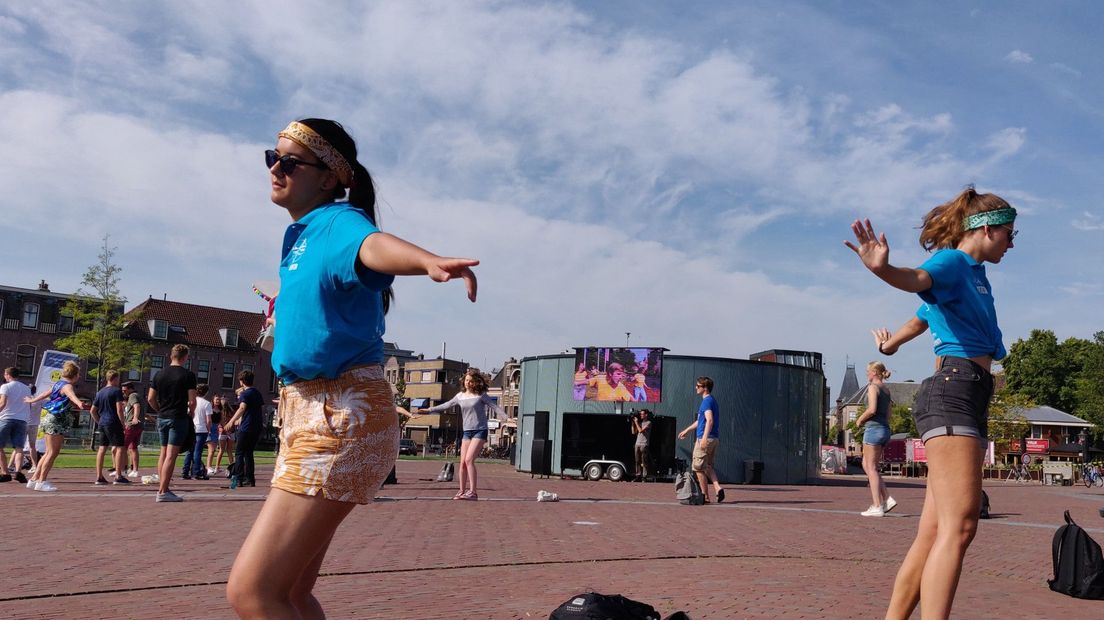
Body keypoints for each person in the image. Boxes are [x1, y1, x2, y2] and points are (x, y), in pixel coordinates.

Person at [226, 117, 478, 619]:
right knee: (292, 591)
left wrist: (426, 260)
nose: (275, 168)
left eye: (289, 162)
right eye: (270, 157)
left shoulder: (338, 222)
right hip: (308, 414)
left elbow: (372, 246)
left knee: (253, 593)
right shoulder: (300, 237)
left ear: (329, 176)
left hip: (338, 414)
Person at [845, 186, 1016, 619]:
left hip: (967, 393)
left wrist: (890, 348)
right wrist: (883, 271)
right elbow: (917, 280)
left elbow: (921, 317)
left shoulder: (974, 275)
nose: (1012, 242)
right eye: (1009, 233)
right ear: (987, 228)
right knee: (960, 527)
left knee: (935, 532)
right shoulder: (954, 262)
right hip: (954, 391)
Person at [416, 369, 504, 500]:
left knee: (469, 460)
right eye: (466, 380)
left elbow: (495, 407)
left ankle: (473, 492)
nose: (468, 383)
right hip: (467, 431)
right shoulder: (460, 396)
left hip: (480, 430)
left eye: (471, 381)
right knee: (462, 462)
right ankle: (462, 491)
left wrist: (507, 418)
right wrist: (429, 410)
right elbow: (446, 405)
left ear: (476, 382)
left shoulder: (481, 395)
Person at [24, 360, 87, 492]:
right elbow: (71, 395)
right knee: (53, 452)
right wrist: (80, 404)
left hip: (49, 418)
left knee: (48, 452)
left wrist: (31, 400)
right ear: (75, 375)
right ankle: (42, 481)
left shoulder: (58, 384)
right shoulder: (67, 386)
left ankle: (34, 479)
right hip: (57, 420)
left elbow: (43, 394)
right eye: (78, 375)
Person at [147, 344, 198, 502]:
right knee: (171, 455)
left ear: (171, 356)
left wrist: (159, 410)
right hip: (178, 417)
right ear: (185, 358)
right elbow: (192, 400)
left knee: (163, 453)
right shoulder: (188, 375)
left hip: (162, 416)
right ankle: (163, 491)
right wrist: (192, 412)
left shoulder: (159, 374)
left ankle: (162, 487)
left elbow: (150, 398)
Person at [855, 362, 894, 516]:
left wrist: (860, 420)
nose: (867, 374)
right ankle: (887, 498)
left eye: (868, 371)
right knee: (869, 466)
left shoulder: (873, 388)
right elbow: (889, 414)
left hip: (873, 429)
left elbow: (871, 409)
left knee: (870, 468)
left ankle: (877, 505)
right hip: (885, 429)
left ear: (875, 372)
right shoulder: (887, 390)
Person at [678, 376, 724, 503]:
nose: (696, 388)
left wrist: (703, 438)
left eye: (698, 386)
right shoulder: (712, 401)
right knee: (708, 466)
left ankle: (704, 497)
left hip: (706, 439)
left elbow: (709, 420)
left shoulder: (706, 401)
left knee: (698, 467)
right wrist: (687, 430)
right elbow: (701, 421)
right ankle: (718, 488)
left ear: (705, 388)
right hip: (714, 439)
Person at [222, 371, 263, 488]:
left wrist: (231, 421)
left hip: (246, 427)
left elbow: (242, 408)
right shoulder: (257, 393)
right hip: (256, 427)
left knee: (239, 453)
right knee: (249, 453)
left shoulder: (245, 394)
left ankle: (238, 479)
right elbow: (254, 410)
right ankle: (250, 479)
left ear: (241, 381)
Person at [89, 370, 130, 485]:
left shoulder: (100, 392)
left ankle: (99, 476)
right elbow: (119, 409)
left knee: (102, 448)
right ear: (115, 379)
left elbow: (92, 410)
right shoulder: (116, 391)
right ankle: (118, 475)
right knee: (120, 448)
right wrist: (123, 422)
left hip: (103, 422)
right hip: (114, 422)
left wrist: (99, 421)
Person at [0, 367, 33, 484]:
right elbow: (28, 404)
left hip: (6, 418)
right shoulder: (26, 389)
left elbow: (3, 403)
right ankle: (18, 472)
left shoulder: (5, 386)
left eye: (5, 374)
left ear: (8, 375)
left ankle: (5, 473)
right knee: (19, 448)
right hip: (22, 420)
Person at [183, 384, 212, 480]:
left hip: (192, 428)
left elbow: (188, 414)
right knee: (198, 451)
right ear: (206, 392)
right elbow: (208, 420)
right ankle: (196, 472)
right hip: (202, 429)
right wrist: (208, 430)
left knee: (189, 451)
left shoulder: (190, 402)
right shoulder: (207, 403)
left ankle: (185, 471)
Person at [121, 381, 144, 478]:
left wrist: (135, 417)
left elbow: (137, 406)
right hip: (138, 426)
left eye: (125, 390)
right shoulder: (138, 395)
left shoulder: (132, 396)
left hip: (131, 425)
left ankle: (123, 469)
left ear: (130, 389)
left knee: (122, 447)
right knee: (133, 448)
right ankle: (134, 470)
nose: (123, 392)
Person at [214, 397, 236, 475]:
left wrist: (221, 427)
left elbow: (220, 422)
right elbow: (233, 422)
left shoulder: (220, 412)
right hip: (231, 432)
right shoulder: (232, 412)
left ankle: (217, 467)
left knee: (221, 450)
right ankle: (232, 467)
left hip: (223, 432)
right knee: (229, 450)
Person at [630, 408, 652, 481]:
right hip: (637, 443)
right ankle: (638, 475)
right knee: (637, 460)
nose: (641, 415)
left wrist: (636, 423)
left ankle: (644, 477)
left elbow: (640, 430)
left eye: (642, 414)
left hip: (644, 444)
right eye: (640, 414)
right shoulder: (639, 423)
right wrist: (633, 423)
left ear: (646, 415)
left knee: (644, 461)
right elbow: (633, 432)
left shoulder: (649, 423)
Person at [205, 394, 223, 475]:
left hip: (216, 430)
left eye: (219, 399)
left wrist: (223, 428)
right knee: (211, 450)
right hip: (209, 429)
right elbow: (207, 419)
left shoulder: (220, 411)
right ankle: (208, 467)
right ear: (213, 400)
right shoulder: (210, 409)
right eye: (216, 399)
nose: (218, 401)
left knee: (213, 450)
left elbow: (221, 421)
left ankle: (209, 466)